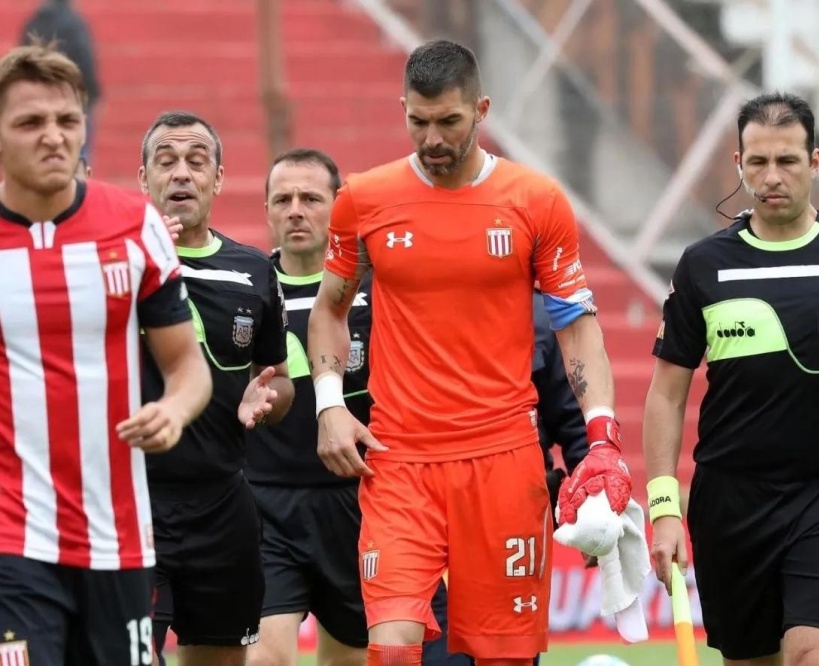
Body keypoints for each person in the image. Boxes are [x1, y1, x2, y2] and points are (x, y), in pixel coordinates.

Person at [308, 39, 631, 665]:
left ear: (481, 109)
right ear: (403, 108)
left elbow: (575, 324)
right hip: (398, 461)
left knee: (504, 657)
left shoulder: (535, 200)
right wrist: (328, 403)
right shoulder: (364, 199)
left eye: (449, 121)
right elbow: (330, 308)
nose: (432, 138)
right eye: (418, 120)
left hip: (503, 462)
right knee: (393, 648)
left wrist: (603, 438)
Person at [643, 92, 819, 666]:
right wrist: (663, 508)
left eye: (786, 160)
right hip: (732, 503)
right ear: (738, 164)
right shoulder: (703, 265)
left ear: (815, 162)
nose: (771, 176)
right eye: (757, 162)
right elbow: (665, 394)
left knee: (815, 656)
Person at [0, 44, 211, 665]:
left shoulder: (134, 225)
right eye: (30, 123)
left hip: (118, 537)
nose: (53, 137)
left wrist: (174, 410)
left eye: (67, 121)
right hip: (13, 536)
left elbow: (186, 366)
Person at [138, 111, 294, 666]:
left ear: (219, 179)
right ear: (144, 179)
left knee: (220, 658)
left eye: (196, 162)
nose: (181, 174)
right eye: (167, 161)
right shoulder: (116, 262)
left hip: (223, 501)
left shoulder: (253, 271)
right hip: (135, 498)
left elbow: (279, 380)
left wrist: (267, 400)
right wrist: (144, 260)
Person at [245, 148, 372, 666]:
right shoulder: (246, 291)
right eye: (283, 199)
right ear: (268, 210)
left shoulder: (377, 291)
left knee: (349, 658)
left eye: (311, 198)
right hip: (267, 507)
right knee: (264, 658)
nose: (295, 209)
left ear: (338, 206)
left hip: (358, 505)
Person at [424, 287, 592, 666]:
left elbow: (573, 422)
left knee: (508, 656)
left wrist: (587, 507)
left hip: (511, 517)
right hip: (425, 510)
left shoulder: (540, 318)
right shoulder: (406, 298)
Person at [20, 0, 101, 162]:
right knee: (78, 153)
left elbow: (22, 61)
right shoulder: (75, 24)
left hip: (39, 98)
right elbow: (85, 61)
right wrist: (93, 95)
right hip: (73, 98)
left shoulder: (34, 22)